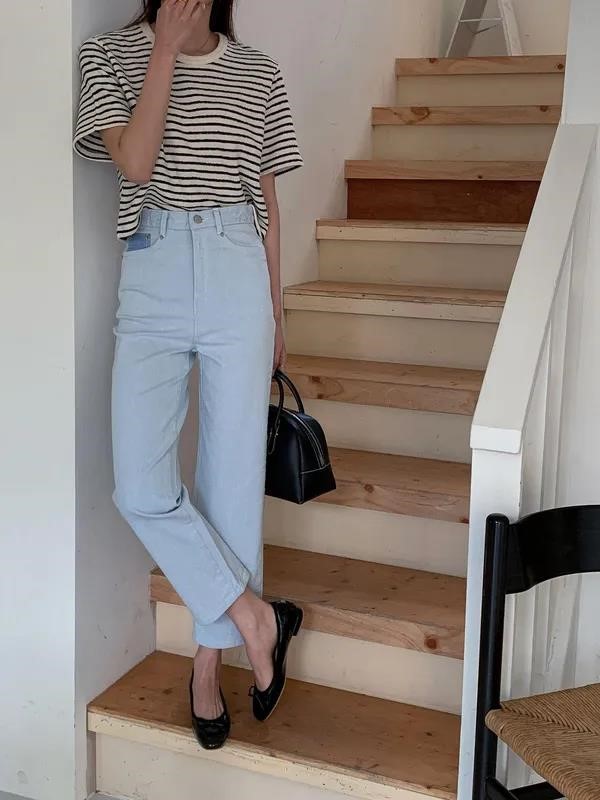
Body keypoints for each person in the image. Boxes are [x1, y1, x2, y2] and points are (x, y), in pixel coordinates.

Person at [73, 0, 304, 749]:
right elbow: (135, 163)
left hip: (238, 267)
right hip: (155, 265)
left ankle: (209, 665)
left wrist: (276, 308)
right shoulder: (109, 56)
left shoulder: (259, 72)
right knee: (139, 486)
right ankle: (253, 615)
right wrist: (165, 51)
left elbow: (267, 200)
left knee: (230, 475)